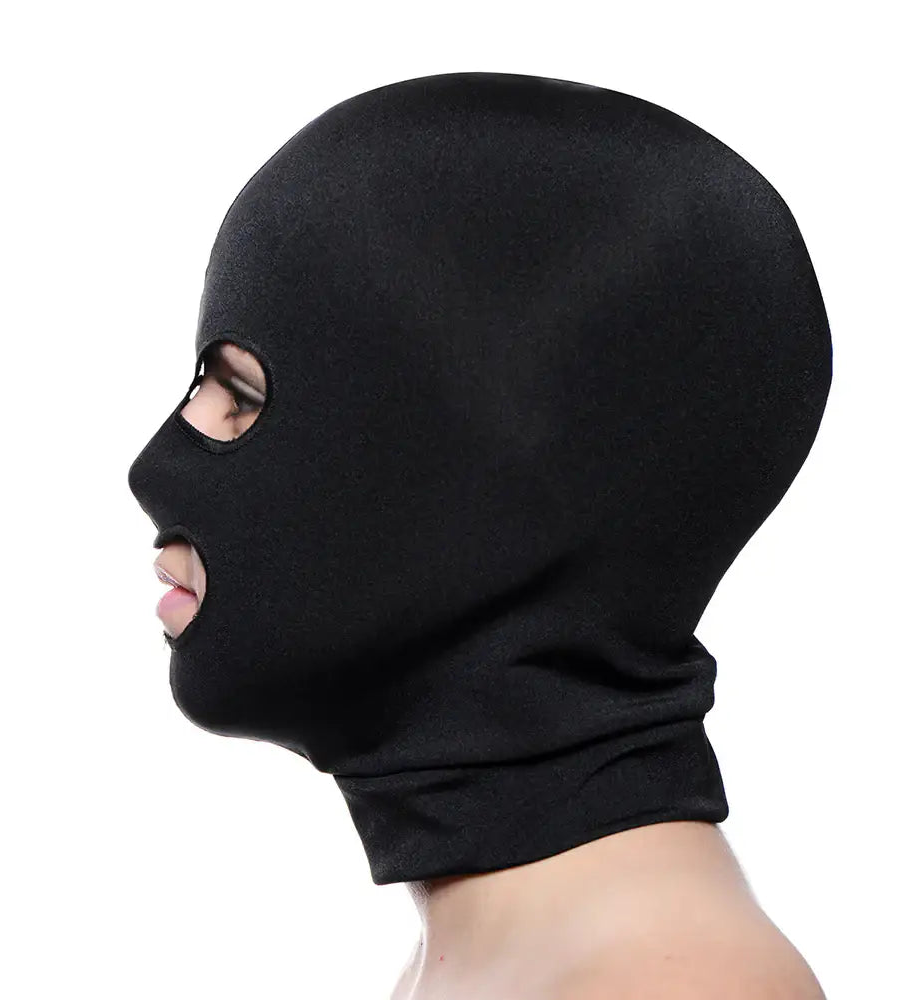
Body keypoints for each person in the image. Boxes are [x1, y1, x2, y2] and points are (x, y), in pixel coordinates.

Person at [129, 72, 832, 999]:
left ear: (487, 482)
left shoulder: (669, 985)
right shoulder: (499, 964)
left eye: (244, 397)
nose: (154, 468)